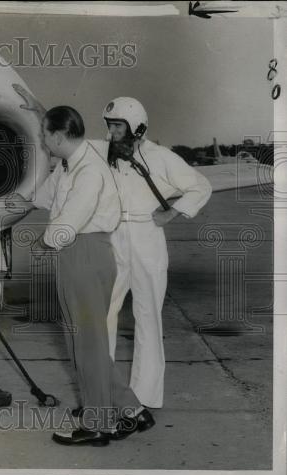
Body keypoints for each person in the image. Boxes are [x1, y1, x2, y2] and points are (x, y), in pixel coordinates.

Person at [7, 86, 155, 446]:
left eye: (44, 135)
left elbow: (68, 221)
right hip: (77, 255)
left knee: (86, 345)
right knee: (85, 344)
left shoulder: (89, 171)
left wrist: (43, 245)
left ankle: (97, 425)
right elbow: (43, 197)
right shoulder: (71, 164)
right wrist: (8, 199)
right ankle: (130, 410)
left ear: (59, 136)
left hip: (84, 254)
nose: (42, 142)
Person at [103, 97, 212, 409]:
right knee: (103, 313)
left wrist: (171, 214)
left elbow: (200, 186)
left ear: (136, 127)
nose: (112, 132)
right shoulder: (104, 155)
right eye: (109, 126)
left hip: (147, 236)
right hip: (112, 236)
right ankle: (104, 389)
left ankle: (143, 396)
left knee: (148, 315)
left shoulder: (160, 157)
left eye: (118, 126)